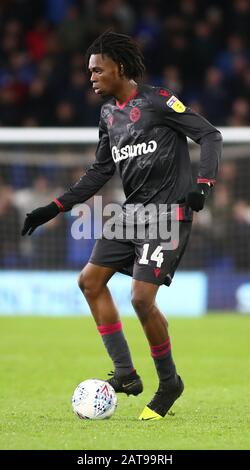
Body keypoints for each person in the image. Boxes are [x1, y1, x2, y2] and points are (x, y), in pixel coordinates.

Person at [21, 32, 222, 420]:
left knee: (141, 300)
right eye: (89, 71)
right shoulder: (108, 115)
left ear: (121, 68)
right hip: (130, 215)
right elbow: (100, 170)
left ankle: (169, 383)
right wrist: (55, 207)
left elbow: (209, 134)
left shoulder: (159, 101)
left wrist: (204, 184)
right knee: (89, 281)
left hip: (167, 216)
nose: (91, 77)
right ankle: (127, 374)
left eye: (98, 70)